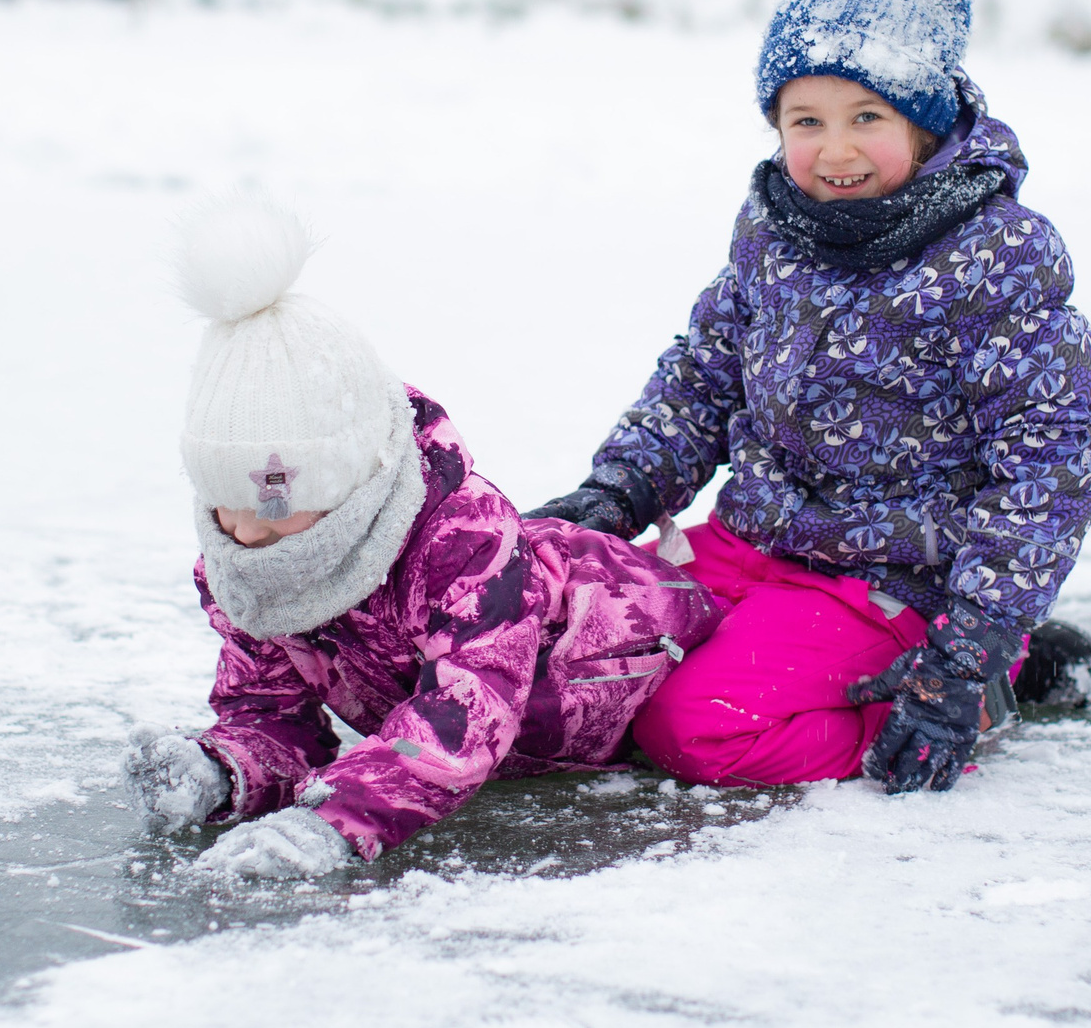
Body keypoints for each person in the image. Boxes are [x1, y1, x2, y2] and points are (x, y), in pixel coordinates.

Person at [529, 0, 1091, 794]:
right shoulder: (777, 229)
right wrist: (619, 492)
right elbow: (706, 373)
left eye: (866, 117)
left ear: (925, 129)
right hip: (747, 542)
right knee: (568, 644)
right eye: (806, 119)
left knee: (695, 728)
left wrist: (969, 650)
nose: (832, 149)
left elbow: (1047, 465)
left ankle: (990, 686)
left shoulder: (995, 259)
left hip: (888, 586)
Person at [120, 203, 719, 878]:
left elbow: (461, 714)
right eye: (224, 502)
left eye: (274, 504)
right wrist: (224, 769)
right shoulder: (247, 568)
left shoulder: (464, 542)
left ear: (350, 480)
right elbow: (274, 712)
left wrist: (335, 822)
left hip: (659, 652)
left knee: (712, 729)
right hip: (524, 748)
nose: (246, 534)